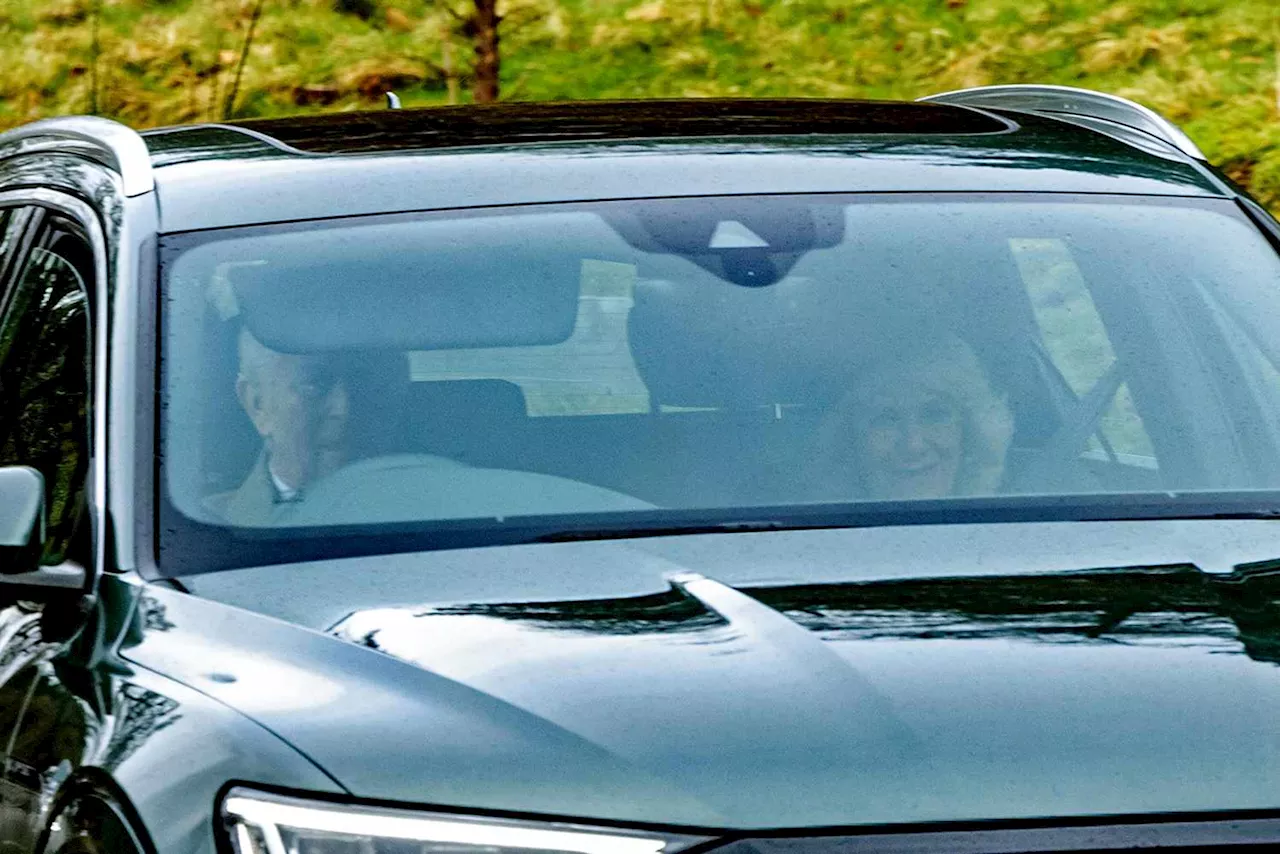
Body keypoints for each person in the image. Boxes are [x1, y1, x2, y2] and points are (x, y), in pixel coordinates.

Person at [811, 332, 1014, 500]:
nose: (913, 445)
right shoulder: (808, 533)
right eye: (886, 419)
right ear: (850, 441)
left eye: (934, 415)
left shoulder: (1022, 525)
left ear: (971, 433)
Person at [205, 328, 351, 525]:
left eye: (362, 382)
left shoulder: (405, 506)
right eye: (314, 385)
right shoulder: (210, 527)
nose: (343, 409)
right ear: (258, 404)